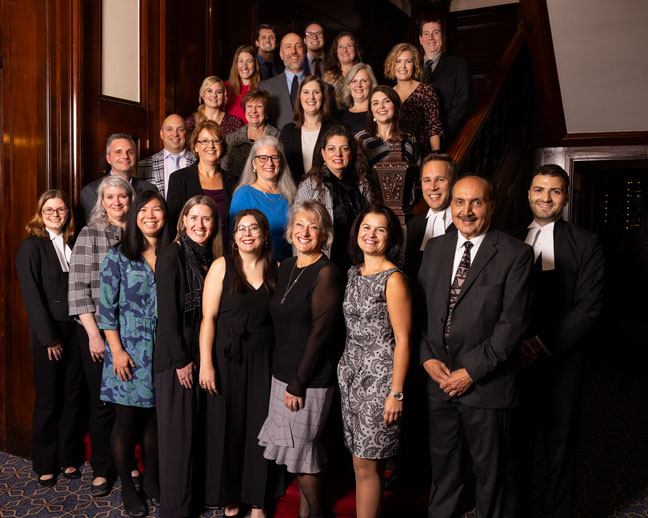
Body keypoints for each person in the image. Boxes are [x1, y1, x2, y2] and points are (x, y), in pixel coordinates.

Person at [418, 176, 533, 518]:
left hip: (487, 387)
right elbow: (420, 314)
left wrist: (470, 373)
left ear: (491, 206)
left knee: (490, 478)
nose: (466, 211)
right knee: (443, 474)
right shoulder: (435, 249)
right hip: (439, 385)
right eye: (459, 202)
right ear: (450, 205)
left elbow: (512, 326)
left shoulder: (516, 254)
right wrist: (426, 359)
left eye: (476, 202)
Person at [506, 165, 605, 518]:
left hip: (562, 361)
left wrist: (540, 344)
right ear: (528, 193)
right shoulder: (508, 238)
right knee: (515, 443)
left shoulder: (585, 243)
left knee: (560, 445)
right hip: (512, 361)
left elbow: (589, 308)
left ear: (566, 197)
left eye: (554, 191)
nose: (545, 198)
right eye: (538, 190)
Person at [258, 199, 344, 518]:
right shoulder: (286, 267)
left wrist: (297, 384)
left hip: (308, 380)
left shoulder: (326, 273)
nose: (305, 231)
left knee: (302, 454)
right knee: (300, 455)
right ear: (290, 231)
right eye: (299, 224)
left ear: (324, 235)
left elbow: (321, 335)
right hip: (282, 374)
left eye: (314, 226)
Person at [199, 209, 279, 518]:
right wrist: (206, 363)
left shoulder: (278, 269)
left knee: (261, 429)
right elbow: (208, 318)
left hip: (264, 359)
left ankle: (258, 501)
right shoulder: (221, 266)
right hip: (226, 357)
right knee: (227, 428)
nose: (247, 233)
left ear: (264, 234)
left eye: (254, 228)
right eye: (240, 229)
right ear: (233, 237)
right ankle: (230, 497)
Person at [98, 190, 172, 517]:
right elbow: (106, 309)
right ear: (135, 215)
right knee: (126, 422)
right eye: (144, 210)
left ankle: (153, 481)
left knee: (155, 422)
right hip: (128, 348)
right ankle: (129, 487)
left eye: (157, 210)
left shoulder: (174, 253)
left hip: (164, 348)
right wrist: (116, 351)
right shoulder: (118, 256)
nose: (151, 216)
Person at [338, 204, 412, 518]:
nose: (372, 235)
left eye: (380, 229)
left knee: (369, 461)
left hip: (380, 381)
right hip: (351, 377)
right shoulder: (353, 273)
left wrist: (396, 392)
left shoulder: (393, 279)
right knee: (359, 459)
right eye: (367, 227)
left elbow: (404, 339)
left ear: (390, 237)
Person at [155, 195, 223, 518]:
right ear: (182, 221)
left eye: (206, 219)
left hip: (200, 357)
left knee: (196, 436)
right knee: (178, 442)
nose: (200, 225)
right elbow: (167, 317)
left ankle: (192, 501)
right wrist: (182, 360)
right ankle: (174, 511)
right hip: (175, 361)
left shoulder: (211, 258)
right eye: (193, 218)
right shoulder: (171, 256)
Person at [69, 175, 136, 497]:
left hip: (135, 333)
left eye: (122, 196)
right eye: (111, 197)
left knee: (130, 404)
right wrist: (94, 334)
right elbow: (78, 288)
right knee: (102, 404)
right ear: (102, 201)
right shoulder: (89, 234)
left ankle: (127, 463)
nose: (117, 202)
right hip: (97, 332)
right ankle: (102, 467)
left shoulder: (140, 233)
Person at [16, 190, 83, 487]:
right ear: (39, 213)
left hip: (77, 330)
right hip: (50, 333)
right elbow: (32, 298)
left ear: (67, 213)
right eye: (49, 210)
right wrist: (49, 339)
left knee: (72, 397)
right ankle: (45, 462)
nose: (56, 214)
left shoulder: (74, 243)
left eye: (61, 210)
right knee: (48, 399)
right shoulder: (31, 247)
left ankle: (68, 458)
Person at [295, 124, 374, 271]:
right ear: (323, 153)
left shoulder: (362, 184)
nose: (338, 154)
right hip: (324, 263)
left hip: (358, 261)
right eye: (331, 149)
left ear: (351, 153)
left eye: (344, 149)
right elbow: (297, 230)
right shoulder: (310, 185)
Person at [167, 120, 236, 247]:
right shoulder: (179, 179)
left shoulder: (233, 181)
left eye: (216, 141)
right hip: (191, 253)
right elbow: (172, 224)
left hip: (226, 252)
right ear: (195, 146)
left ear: (222, 146)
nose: (211, 146)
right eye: (204, 141)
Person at [230, 135, 296, 261]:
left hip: (290, 265)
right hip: (259, 267)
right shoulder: (243, 194)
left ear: (281, 163)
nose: (269, 163)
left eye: (275, 158)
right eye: (263, 158)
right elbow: (234, 241)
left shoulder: (291, 194)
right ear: (253, 163)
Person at [356, 86, 421, 210]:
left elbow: (418, 175)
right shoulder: (361, 139)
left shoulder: (409, 138)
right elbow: (357, 178)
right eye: (376, 103)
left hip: (406, 209)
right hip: (373, 209)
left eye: (386, 101)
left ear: (395, 107)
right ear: (371, 110)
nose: (381, 106)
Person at [80, 134, 156, 224]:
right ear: (108, 158)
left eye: (130, 152)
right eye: (118, 152)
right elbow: (96, 228)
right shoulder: (91, 191)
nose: (125, 156)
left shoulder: (149, 189)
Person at [420, 16, 472, 146]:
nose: (431, 38)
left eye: (435, 33)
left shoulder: (459, 65)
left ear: (442, 37)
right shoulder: (410, 67)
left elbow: (462, 104)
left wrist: (440, 134)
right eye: (426, 34)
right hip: (415, 140)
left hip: (445, 138)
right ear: (421, 39)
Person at [404, 153, 457, 280]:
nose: (433, 187)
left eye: (440, 179)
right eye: (427, 180)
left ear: (454, 183)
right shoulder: (413, 225)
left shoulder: (465, 226)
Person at [385, 42, 443, 153]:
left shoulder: (426, 90)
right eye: (398, 61)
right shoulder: (388, 94)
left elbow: (434, 126)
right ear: (392, 65)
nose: (403, 66)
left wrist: (436, 153)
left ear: (415, 64)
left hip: (419, 153)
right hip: (393, 153)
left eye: (408, 61)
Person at [279, 75, 334, 184]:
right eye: (306, 92)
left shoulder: (335, 129)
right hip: (294, 196)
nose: (311, 97)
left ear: (323, 96)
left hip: (327, 194)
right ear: (300, 97)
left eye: (316, 92)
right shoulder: (287, 131)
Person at [221, 90, 280, 179]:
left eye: (259, 106)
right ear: (245, 112)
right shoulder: (231, 139)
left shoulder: (278, 138)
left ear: (266, 113)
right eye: (249, 106)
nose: (253, 111)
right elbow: (225, 171)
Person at [137, 114, 196, 199]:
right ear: (161, 134)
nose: (175, 134)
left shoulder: (199, 162)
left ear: (186, 134)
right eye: (169, 129)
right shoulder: (145, 165)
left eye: (180, 129)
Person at [258, 32, 307, 130]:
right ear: (281, 54)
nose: (294, 51)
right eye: (288, 47)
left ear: (305, 52)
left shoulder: (323, 87)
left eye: (298, 46)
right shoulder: (265, 87)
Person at [323, 31, 362, 109]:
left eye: (349, 45)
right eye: (340, 46)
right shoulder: (328, 77)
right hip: (337, 120)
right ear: (335, 51)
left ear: (356, 48)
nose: (344, 50)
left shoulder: (364, 73)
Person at [337, 63, 377, 136]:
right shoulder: (339, 116)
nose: (358, 85)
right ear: (349, 86)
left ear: (371, 85)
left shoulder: (377, 114)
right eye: (354, 81)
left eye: (364, 81)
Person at [225, 45, 261, 123]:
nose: (244, 66)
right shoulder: (225, 88)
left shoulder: (262, 88)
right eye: (241, 61)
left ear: (255, 64)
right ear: (236, 64)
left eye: (249, 61)